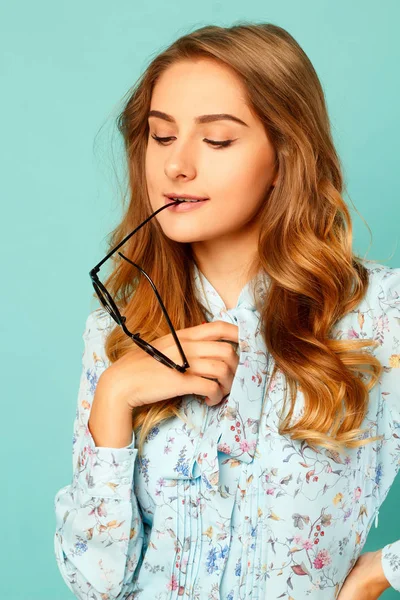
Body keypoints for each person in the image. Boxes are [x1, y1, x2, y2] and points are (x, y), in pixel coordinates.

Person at [53, 22, 400, 600]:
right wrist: (114, 397)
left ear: (288, 153)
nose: (177, 167)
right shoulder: (118, 326)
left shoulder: (381, 315)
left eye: (216, 141)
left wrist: (380, 572)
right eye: (161, 138)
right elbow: (95, 583)